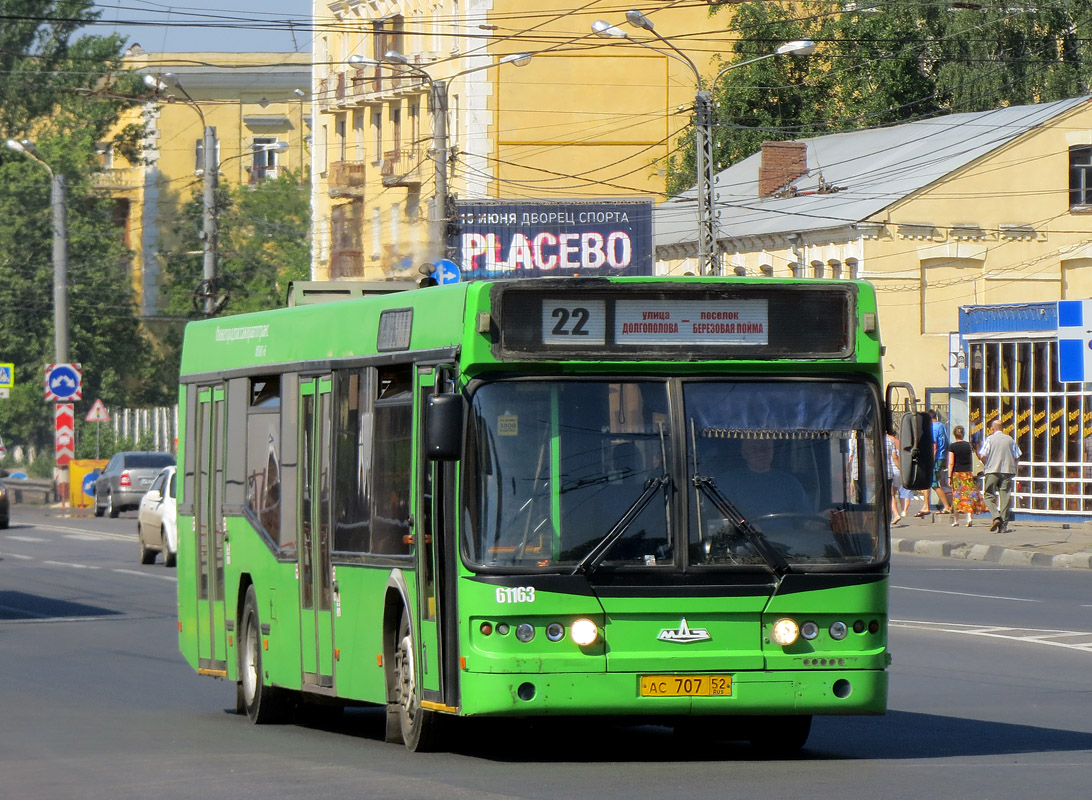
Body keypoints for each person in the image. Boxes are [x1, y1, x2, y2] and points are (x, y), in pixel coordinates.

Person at [979, 419, 1021, 533]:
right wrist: (1012, 465)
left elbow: (982, 455)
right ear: (1002, 428)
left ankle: (995, 516)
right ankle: (1003, 526)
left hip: (992, 471)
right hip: (1007, 472)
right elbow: (1017, 455)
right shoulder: (1010, 440)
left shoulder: (990, 439)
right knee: (1005, 498)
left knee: (988, 495)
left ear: (993, 428)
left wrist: (987, 464)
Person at [947, 425, 986, 527]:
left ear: (954, 435)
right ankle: (969, 517)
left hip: (957, 474)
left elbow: (951, 463)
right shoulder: (968, 445)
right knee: (968, 495)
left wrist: (949, 477)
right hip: (967, 473)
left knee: (957, 496)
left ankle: (956, 520)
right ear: (963, 434)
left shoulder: (952, 446)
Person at [916, 409, 952, 516]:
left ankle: (946, 506)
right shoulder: (941, 426)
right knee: (929, 481)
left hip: (935, 458)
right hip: (942, 457)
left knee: (934, 483)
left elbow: (934, 446)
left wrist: (930, 460)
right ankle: (926, 506)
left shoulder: (933, 428)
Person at [885, 428, 903, 521]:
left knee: (890, 494)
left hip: (890, 469)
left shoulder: (887, 440)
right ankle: (893, 512)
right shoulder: (898, 441)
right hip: (897, 470)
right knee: (893, 493)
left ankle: (895, 514)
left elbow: (894, 457)